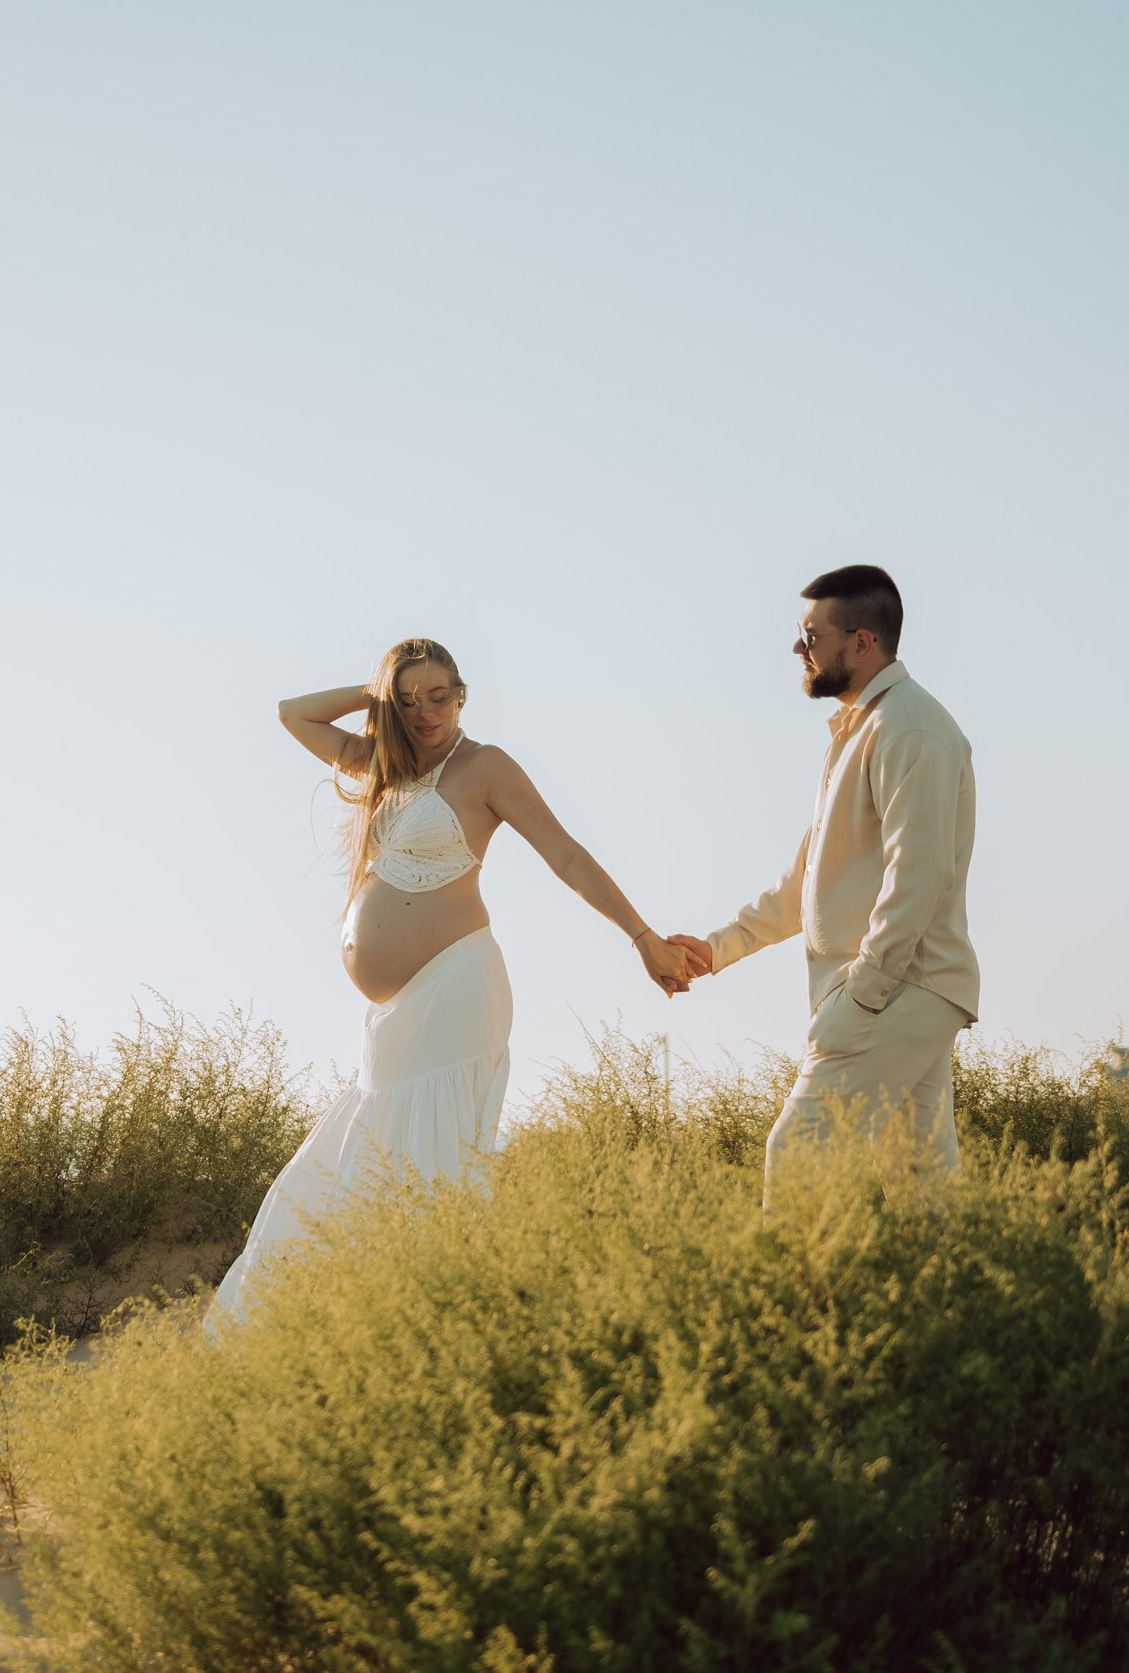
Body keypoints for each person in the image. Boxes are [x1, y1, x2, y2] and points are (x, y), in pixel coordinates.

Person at [209, 637, 695, 1322]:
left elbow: (566, 854)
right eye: (407, 701)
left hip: (457, 983)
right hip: (399, 1009)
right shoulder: (385, 764)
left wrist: (641, 936)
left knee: (425, 1158)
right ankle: (371, 1316)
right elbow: (294, 715)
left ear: (463, 694)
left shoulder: (483, 767)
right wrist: (371, 695)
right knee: (376, 1154)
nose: (425, 712)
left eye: (438, 696)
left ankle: (440, 1313)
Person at [670, 566, 979, 1201]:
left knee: (798, 1151)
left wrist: (863, 994)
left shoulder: (909, 728)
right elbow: (806, 884)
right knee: (924, 1194)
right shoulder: (860, 728)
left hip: (896, 992)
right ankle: (956, 1304)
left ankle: (792, 1303)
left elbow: (918, 875)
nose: (797, 648)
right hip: (899, 991)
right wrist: (716, 949)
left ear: (862, 643)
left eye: (812, 635)